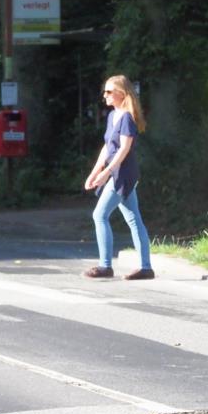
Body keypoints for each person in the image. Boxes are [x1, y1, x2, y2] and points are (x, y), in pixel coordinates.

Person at [82, 75, 154, 280]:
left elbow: (123, 149)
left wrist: (106, 172)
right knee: (133, 219)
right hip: (116, 173)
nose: (105, 95)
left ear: (122, 94)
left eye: (109, 91)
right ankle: (146, 267)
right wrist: (95, 171)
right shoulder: (113, 116)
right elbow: (108, 147)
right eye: (104, 91)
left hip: (122, 174)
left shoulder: (127, 118)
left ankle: (105, 266)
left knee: (99, 215)